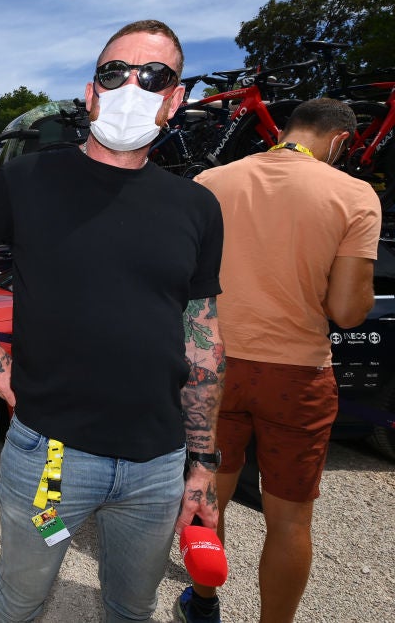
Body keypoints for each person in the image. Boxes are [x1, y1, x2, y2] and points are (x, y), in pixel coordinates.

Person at [0, 20, 225, 622]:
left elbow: (203, 336)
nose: (132, 87)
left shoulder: (197, 207)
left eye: (154, 76)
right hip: (50, 454)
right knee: (19, 600)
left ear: (175, 100)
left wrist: (203, 463)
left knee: (132, 608)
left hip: (157, 464)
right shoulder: (28, 178)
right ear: (92, 91)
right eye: (115, 73)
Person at [175, 98, 381, 623]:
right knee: (290, 521)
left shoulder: (210, 182)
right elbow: (347, 311)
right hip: (297, 374)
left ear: (288, 129)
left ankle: (203, 605)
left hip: (215, 365)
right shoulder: (354, 194)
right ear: (339, 140)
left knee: (208, 496)